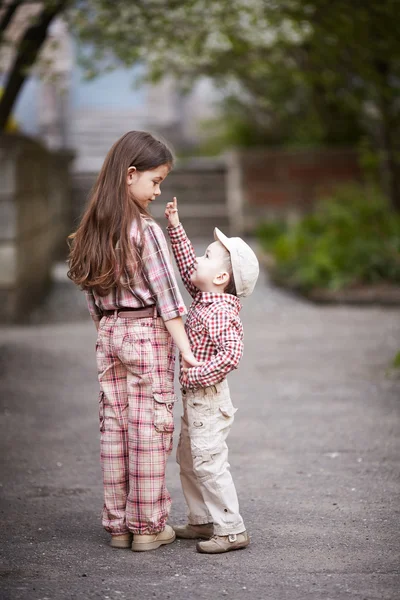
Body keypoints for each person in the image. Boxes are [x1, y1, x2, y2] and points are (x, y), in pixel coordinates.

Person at [68, 131, 200, 552]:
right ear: (130, 175)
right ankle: (146, 526)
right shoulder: (145, 231)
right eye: (156, 181)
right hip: (147, 334)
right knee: (148, 429)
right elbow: (168, 300)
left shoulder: (92, 230)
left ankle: (118, 526)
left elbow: (92, 298)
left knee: (115, 428)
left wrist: (110, 333)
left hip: (109, 333)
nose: (159, 192)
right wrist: (186, 350)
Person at [164, 197, 260, 554]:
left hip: (207, 399)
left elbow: (231, 356)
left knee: (208, 463)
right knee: (188, 460)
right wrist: (175, 226)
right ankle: (202, 520)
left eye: (208, 257)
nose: (199, 260)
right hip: (197, 401)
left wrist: (195, 375)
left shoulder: (219, 310)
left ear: (221, 277)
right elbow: (188, 264)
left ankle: (232, 529)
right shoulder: (206, 296)